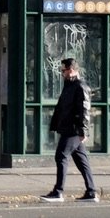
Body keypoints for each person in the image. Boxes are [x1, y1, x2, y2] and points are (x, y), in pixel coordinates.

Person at [40, 58, 98, 203]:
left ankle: (58, 192)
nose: (61, 73)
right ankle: (91, 192)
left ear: (71, 70)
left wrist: (83, 131)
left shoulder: (80, 86)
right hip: (68, 127)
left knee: (61, 156)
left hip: (74, 129)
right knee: (81, 160)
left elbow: (85, 109)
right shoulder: (69, 85)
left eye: (63, 70)